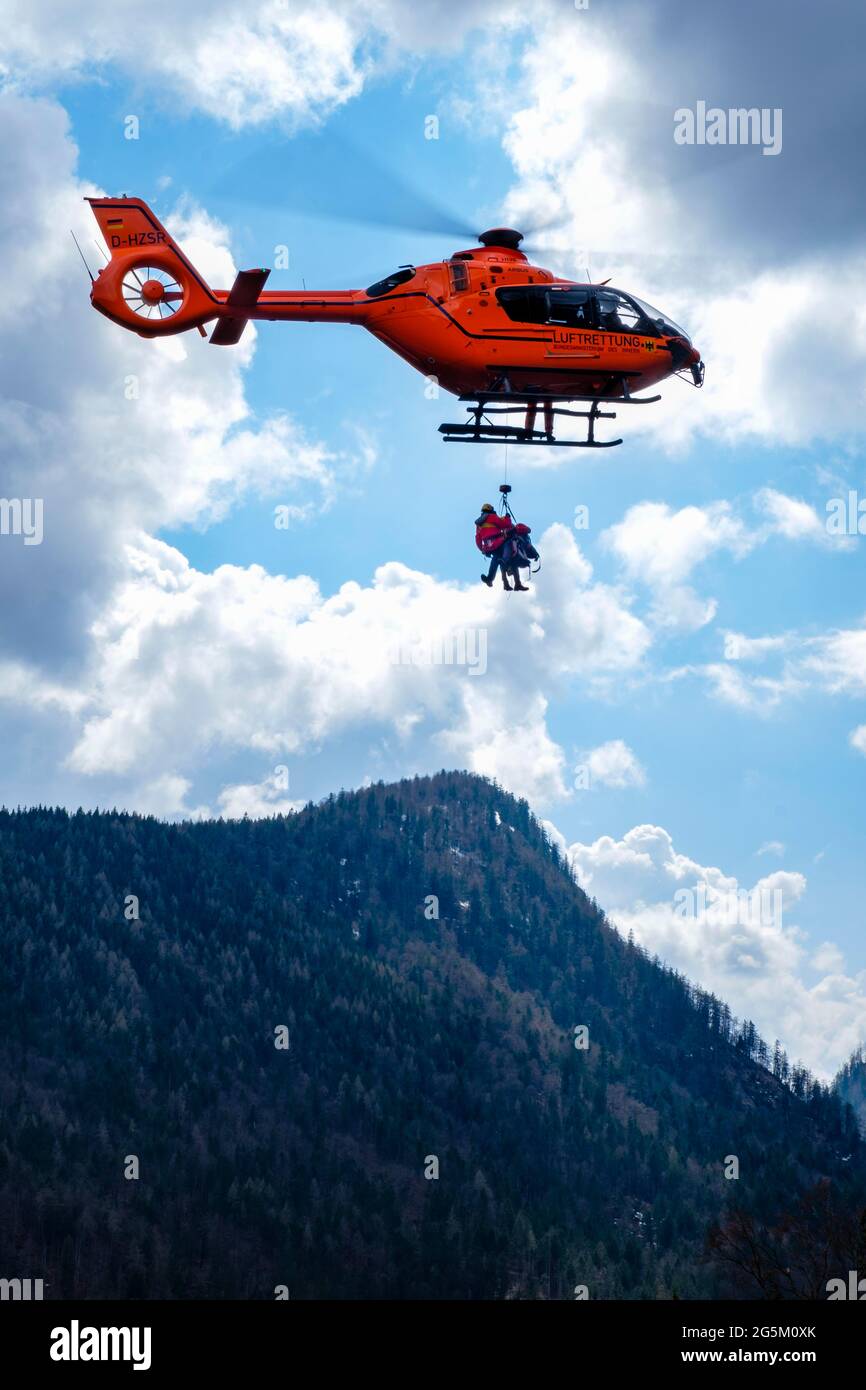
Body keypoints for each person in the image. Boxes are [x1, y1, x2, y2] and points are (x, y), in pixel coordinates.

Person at [475, 502, 528, 591]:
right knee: (510, 552)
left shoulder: (479, 524)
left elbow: (478, 538)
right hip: (498, 541)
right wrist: (507, 517)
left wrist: (482, 549)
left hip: (489, 546)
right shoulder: (491, 517)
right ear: (490, 510)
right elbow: (505, 524)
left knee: (495, 559)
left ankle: (490, 578)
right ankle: (517, 583)